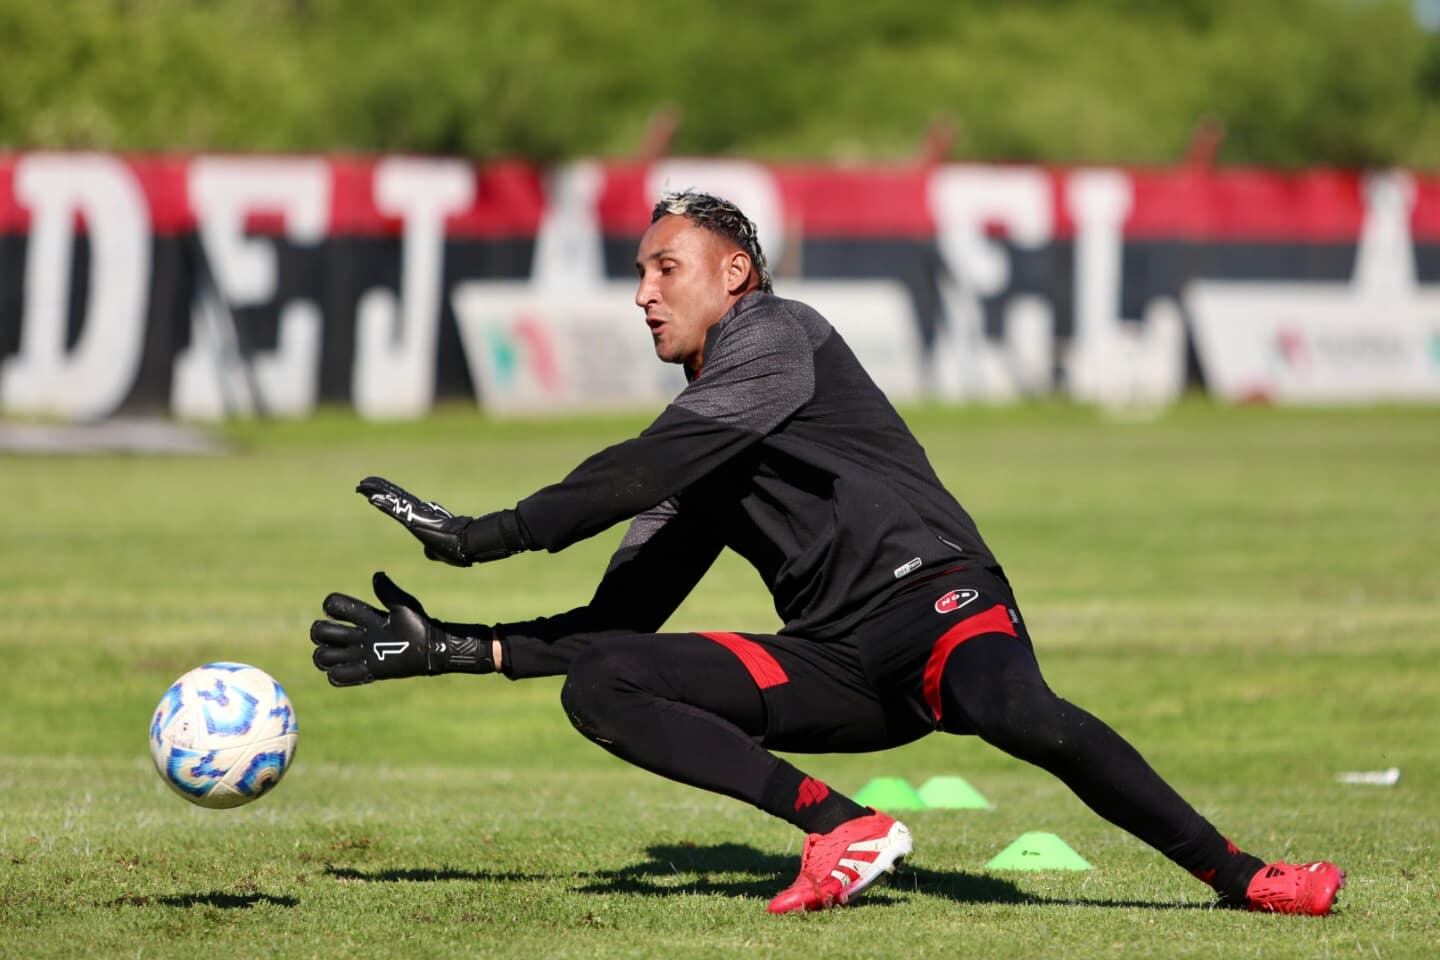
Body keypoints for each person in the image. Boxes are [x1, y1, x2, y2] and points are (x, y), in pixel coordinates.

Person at [311, 190, 1344, 916]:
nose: (643, 294)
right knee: (605, 685)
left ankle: (1244, 875)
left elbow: (636, 465)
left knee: (1014, 712)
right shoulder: (703, 437)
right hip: (841, 664)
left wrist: (482, 538)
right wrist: (458, 647)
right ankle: (842, 828)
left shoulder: (778, 337)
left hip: (941, 600)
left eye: (664, 269)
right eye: (639, 274)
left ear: (736, 275)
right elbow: (616, 624)